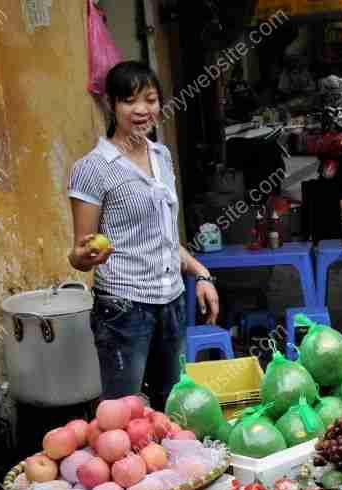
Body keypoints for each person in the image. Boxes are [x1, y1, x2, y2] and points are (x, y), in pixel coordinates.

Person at [68, 61, 220, 410]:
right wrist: (85, 257)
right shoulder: (92, 169)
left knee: (173, 405)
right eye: (129, 100)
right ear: (110, 104)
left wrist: (201, 273)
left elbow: (165, 238)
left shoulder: (162, 156)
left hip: (172, 301)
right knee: (124, 412)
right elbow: (78, 254)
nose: (141, 110)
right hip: (124, 306)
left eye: (150, 99)